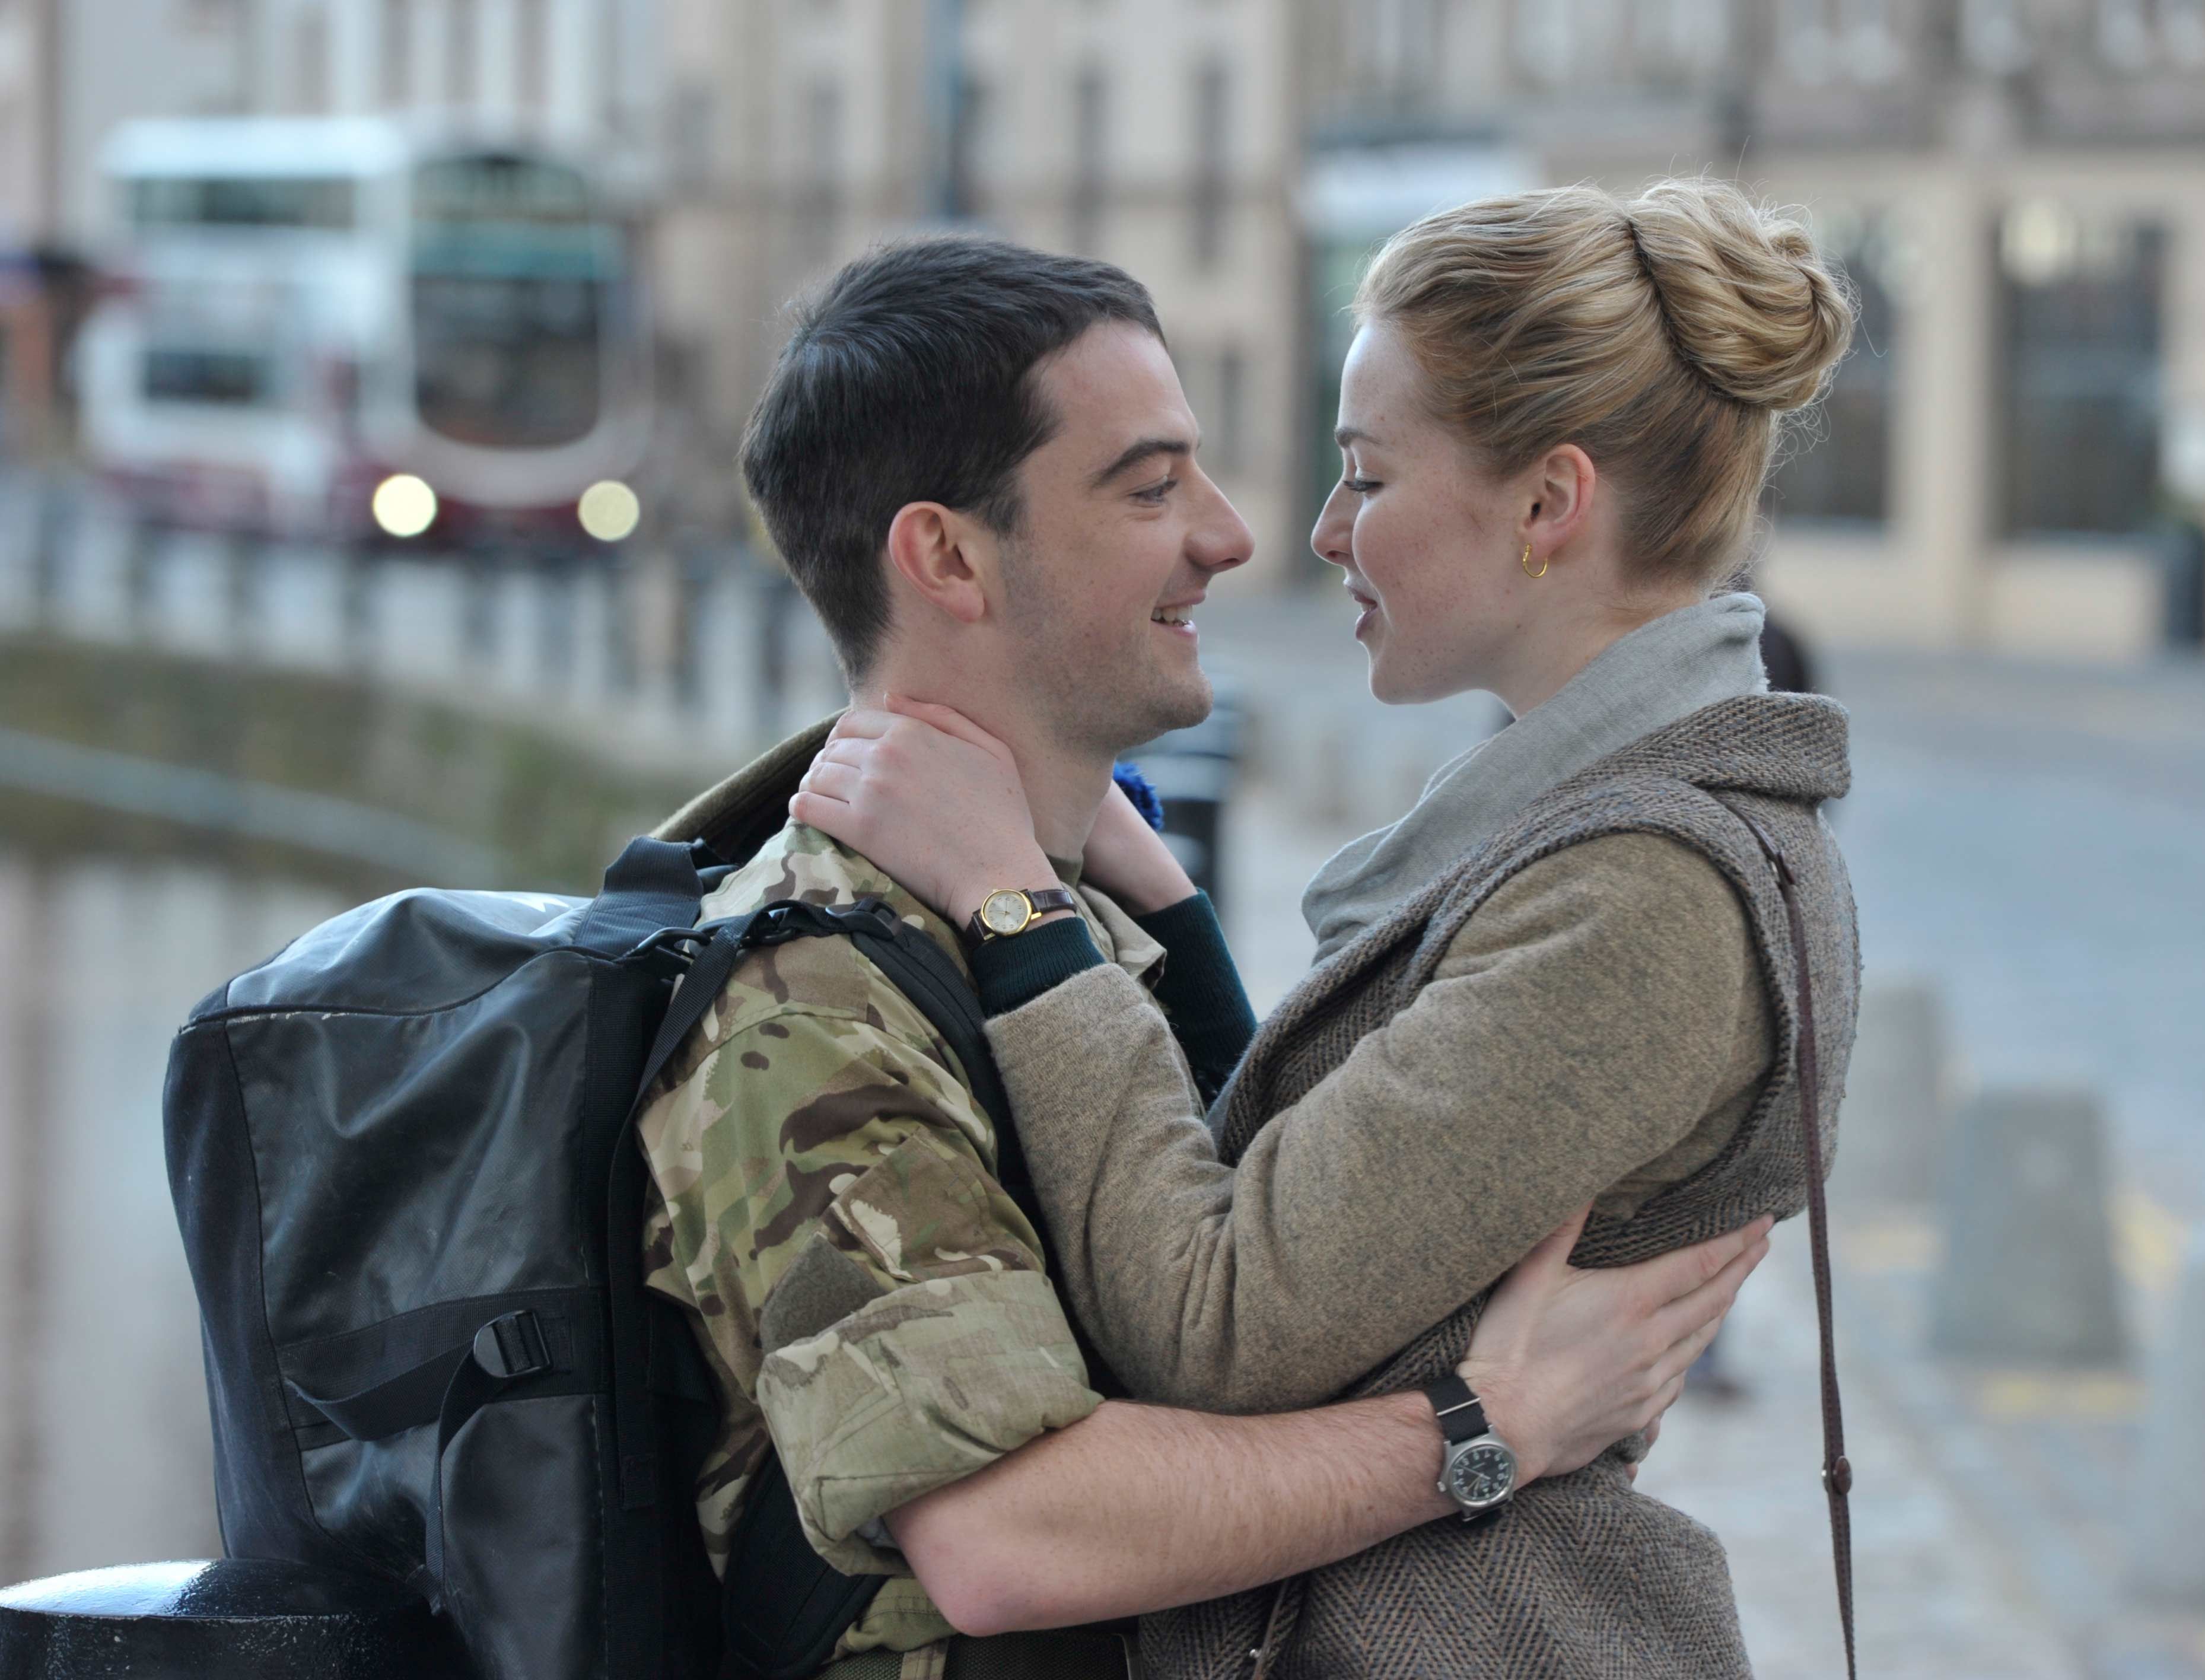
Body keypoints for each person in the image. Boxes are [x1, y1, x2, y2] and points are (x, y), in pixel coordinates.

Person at [637, 236, 1773, 1680]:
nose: (1236, 536)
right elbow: (1008, 1541)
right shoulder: (806, 996)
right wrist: (1491, 1427)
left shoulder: (1069, 920)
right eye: (1150, 486)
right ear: (944, 556)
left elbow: (1263, 1232)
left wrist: (1156, 923)